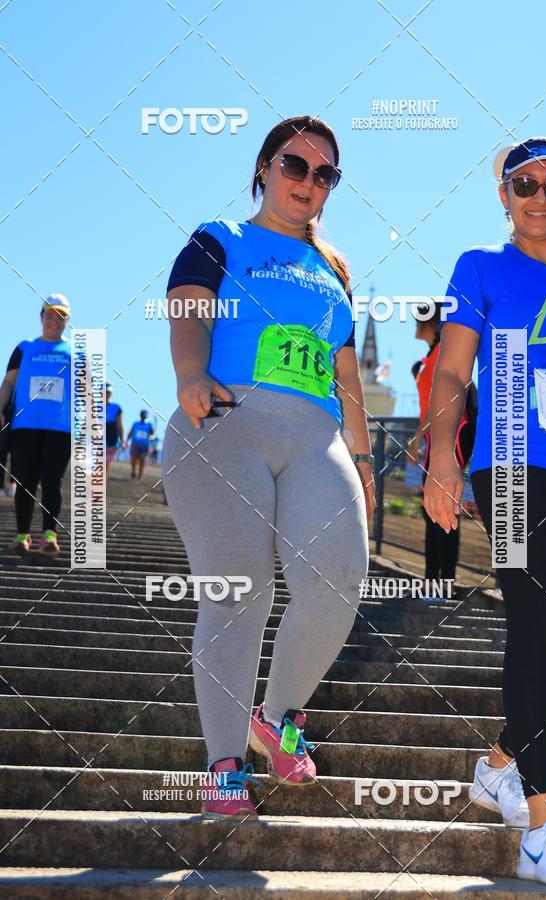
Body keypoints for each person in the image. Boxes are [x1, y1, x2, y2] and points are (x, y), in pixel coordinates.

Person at [163, 115, 373, 820]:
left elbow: (348, 376)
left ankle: (277, 718)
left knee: (339, 581)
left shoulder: (335, 269)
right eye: (294, 165)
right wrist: (190, 372)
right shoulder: (221, 236)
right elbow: (187, 306)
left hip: (317, 441)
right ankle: (224, 765)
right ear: (263, 167)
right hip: (225, 425)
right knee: (239, 591)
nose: (308, 183)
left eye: (325, 174)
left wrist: (365, 456)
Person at [424, 138, 546, 887]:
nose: (538, 195)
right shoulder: (481, 267)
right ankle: (542, 823)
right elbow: (455, 369)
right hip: (511, 463)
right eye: (523, 183)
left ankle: (500, 762)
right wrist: (441, 457)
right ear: (503, 193)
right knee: (534, 622)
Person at [408, 301, 476, 583]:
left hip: (453, 431)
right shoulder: (431, 355)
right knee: (430, 508)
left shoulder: (442, 353)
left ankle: (443, 583)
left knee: (444, 506)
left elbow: (445, 400)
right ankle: (432, 581)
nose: (414, 324)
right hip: (437, 435)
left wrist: (415, 438)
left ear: (429, 322)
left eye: (418, 319)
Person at [0, 294, 72, 554]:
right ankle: (22, 536)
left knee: (52, 482)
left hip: (60, 427)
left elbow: (87, 392)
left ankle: (49, 535)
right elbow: (8, 382)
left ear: (68, 320)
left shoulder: (75, 352)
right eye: (50, 314)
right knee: (25, 482)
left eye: (60, 316)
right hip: (25, 425)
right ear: (41, 317)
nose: (54, 320)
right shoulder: (24, 347)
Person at [126, 410, 153, 479]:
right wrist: (126, 441)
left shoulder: (149, 425)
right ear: (140, 416)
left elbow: (153, 434)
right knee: (133, 459)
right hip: (135, 444)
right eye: (143, 416)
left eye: (145, 416)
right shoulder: (136, 424)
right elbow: (131, 432)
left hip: (144, 445)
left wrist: (151, 437)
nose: (144, 417)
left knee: (142, 460)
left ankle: (140, 475)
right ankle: (133, 471)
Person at [105, 382, 124, 476]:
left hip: (111, 441)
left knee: (105, 465)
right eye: (105, 392)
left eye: (109, 392)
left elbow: (120, 426)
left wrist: (122, 441)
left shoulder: (116, 408)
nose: (107, 394)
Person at [0, 393, 16, 496]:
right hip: (3, 424)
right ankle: (0, 486)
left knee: (17, 457)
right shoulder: (5, 389)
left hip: (19, 426)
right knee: (1, 454)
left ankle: (13, 484)